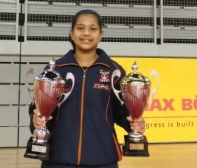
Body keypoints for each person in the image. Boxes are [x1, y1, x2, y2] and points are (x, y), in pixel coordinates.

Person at [29, 9, 145, 168]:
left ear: (101, 34)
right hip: (58, 160)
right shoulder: (55, 70)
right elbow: (39, 110)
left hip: (103, 160)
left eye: (93, 29)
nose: (86, 33)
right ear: (71, 33)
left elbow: (122, 112)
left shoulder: (114, 71)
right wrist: (36, 120)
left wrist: (134, 123)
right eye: (80, 28)